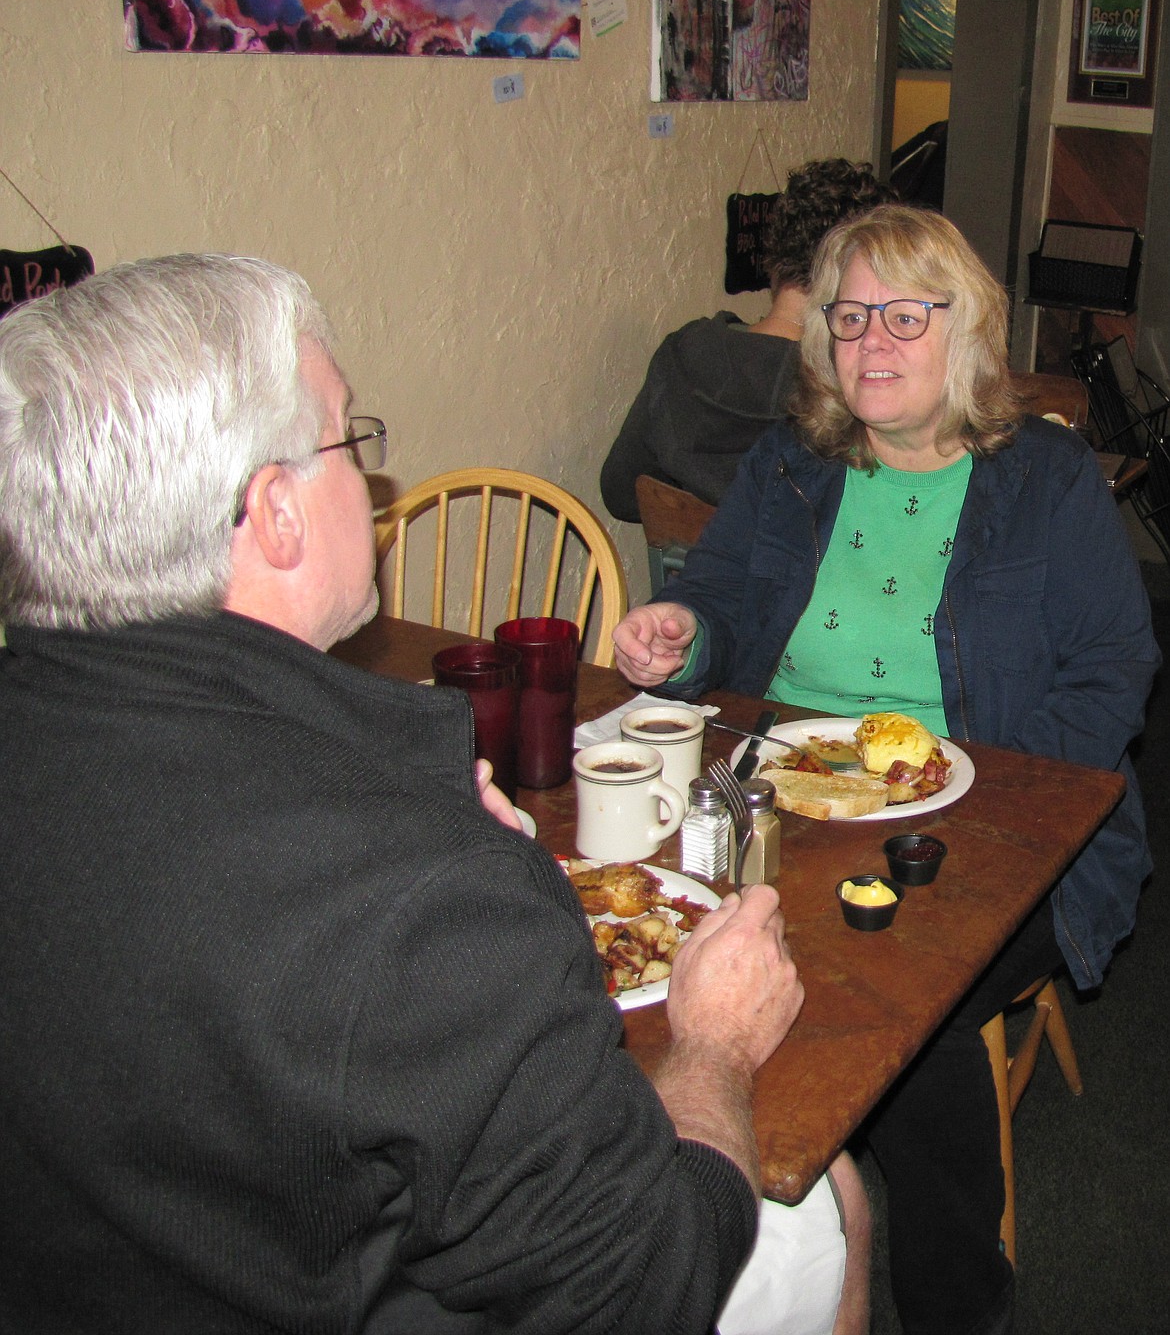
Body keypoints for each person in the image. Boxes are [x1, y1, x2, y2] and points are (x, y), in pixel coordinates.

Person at [0, 253, 869, 1334]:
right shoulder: (415, 891)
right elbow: (641, 1284)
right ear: (274, 512)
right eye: (347, 437)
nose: (372, 481)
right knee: (832, 1196)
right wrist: (713, 1046)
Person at [612, 204, 1159, 1335]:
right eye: (852, 315)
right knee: (629, 930)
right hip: (788, 798)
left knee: (908, 1007)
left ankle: (958, 1295)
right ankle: (718, 1216)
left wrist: (982, 789)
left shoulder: (1045, 479)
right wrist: (683, 632)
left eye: (907, 315)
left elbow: (1114, 667)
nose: (872, 342)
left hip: (1005, 827)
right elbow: (719, 603)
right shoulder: (791, 463)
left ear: (966, 333)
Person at [600, 158, 895, 523]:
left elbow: (622, 494)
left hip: (698, 575)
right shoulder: (859, 382)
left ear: (772, 258)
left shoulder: (683, 353)